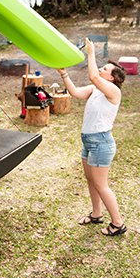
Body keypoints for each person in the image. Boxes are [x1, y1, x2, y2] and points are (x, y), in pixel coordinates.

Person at [57, 37, 127, 236]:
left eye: (105, 69)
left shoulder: (113, 91)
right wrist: (64, 75)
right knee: (91, 180)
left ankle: (118, 223)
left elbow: (94, 77)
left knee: (101, 184)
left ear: (112, 78)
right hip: (88, 142)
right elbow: (76, 92)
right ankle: (97, 214)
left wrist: (91, 53)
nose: (101, 71)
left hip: (101, 143)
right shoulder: (96, 89)